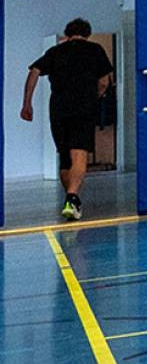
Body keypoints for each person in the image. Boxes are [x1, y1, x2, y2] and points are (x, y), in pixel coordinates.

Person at [19, 19, 113, 221]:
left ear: (68, 33)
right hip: (84, 108)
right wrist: (95, 96)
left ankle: (71, 199)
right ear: (86, 34)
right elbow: (105, 81)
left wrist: (27, 103)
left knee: (65, 157)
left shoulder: (55, 52)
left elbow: (34, 71)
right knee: (79, 154)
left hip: (59, 109)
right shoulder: (95, 50)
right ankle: (72, 197)